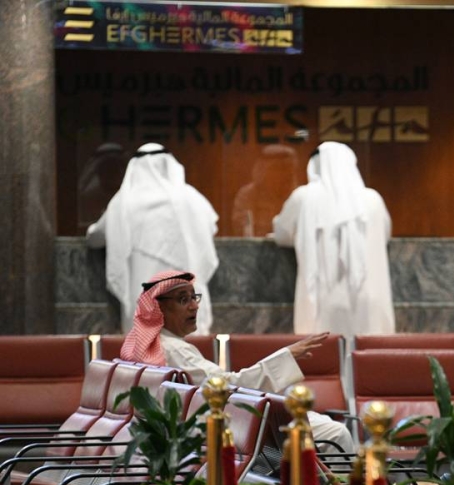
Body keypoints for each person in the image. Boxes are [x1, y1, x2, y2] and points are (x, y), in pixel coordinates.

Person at [119, 269, 355, 452]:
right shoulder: (173, 349)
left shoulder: (157, 345)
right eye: (183, 300)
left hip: (201, 430)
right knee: (335, 433)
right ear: (158, 308)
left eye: (194, 297)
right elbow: (231, 388)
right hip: (217, 431)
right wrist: (287, 355)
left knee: (319, 423)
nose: (194, 306)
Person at [86, 143, 219, 335]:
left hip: (144, 304)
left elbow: (96, 238)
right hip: (186, 301)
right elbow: (211, 227)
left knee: (148, 352)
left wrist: (90, 230)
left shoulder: (124, 202)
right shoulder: (190, 198)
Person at [272, 142, 395, 337]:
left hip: (322, 299)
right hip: (369, 299)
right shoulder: (373, 199)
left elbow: (282, 234)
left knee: (323, 352)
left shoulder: (304, 197)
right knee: (368, 351)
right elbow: (385, 234)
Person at [230, 145, 299, 237]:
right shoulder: (248, 194)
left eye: (286, 168)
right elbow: (242, 229)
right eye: (277, 168)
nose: (284, 173)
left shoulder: (298, 195)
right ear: (264, 169)